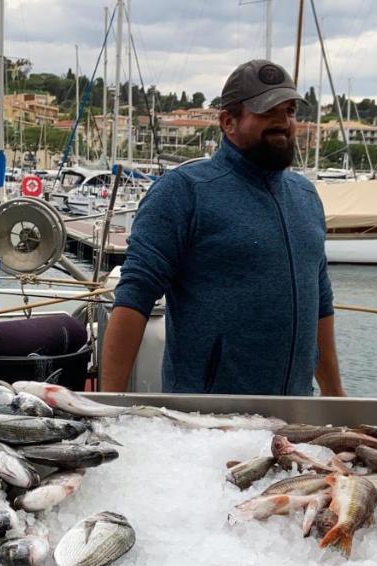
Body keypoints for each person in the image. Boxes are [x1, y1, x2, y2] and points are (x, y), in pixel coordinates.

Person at [99, 59, 344, 397]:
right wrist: (108, 406)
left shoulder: (305, 196)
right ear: (228, 122)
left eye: (289, 111)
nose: (283, 122)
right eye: (267, 112)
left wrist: (335, 399)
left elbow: (320, 304)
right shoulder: (183, 192)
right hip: (205, 422)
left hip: (295, 416)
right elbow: (133, 299)